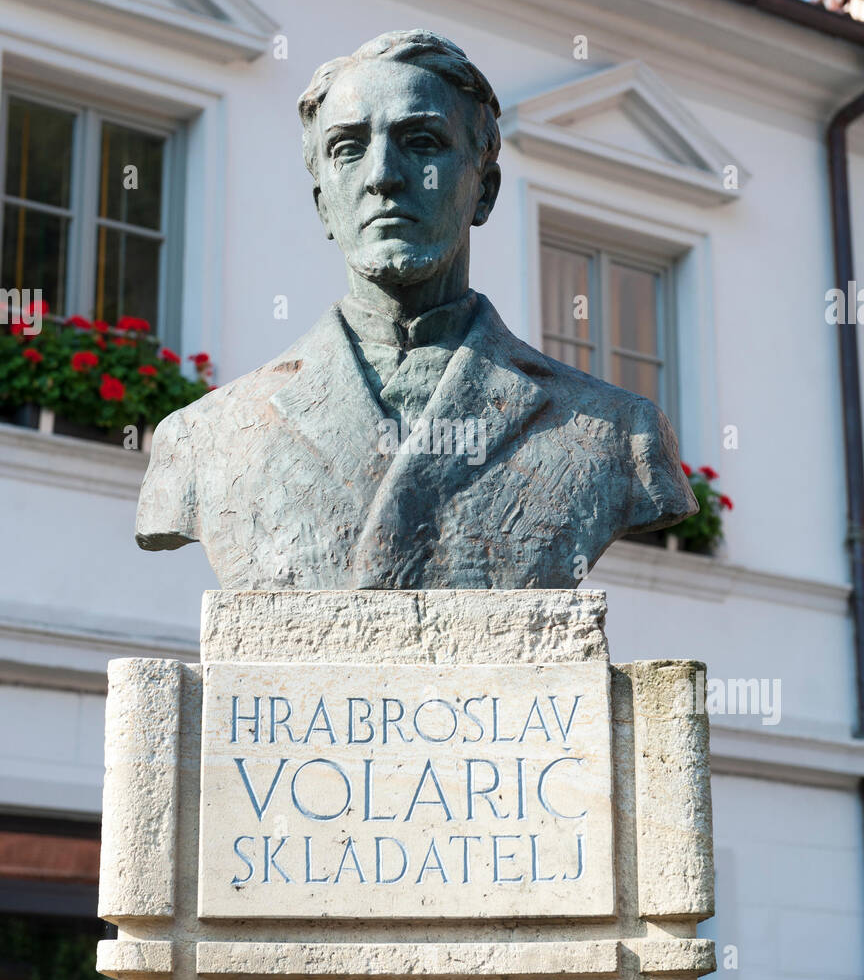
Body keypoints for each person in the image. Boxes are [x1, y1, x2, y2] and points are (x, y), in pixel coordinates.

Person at [136, 29, 695, 588]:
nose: (383, 175)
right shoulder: (205, 439)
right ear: (322, 206)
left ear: (484, 191)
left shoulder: (618, 433)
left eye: (422, 141)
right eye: (348, 148)